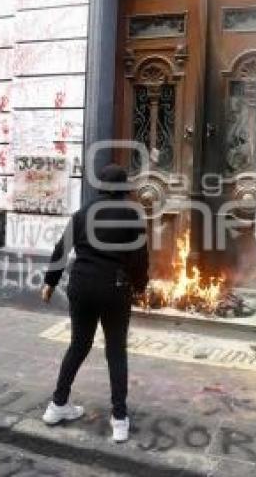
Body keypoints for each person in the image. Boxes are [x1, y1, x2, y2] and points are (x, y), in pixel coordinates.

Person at [40, 164, 148, 443]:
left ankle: (57, 405)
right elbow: (138, 258)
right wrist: (140, 287)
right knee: (115, 350)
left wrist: (50, 282)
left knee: (79, 344)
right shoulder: (132, 214)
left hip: (81, 285)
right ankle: (120, 419)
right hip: (114, 288)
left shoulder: (84, 211)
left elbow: (62, 248)